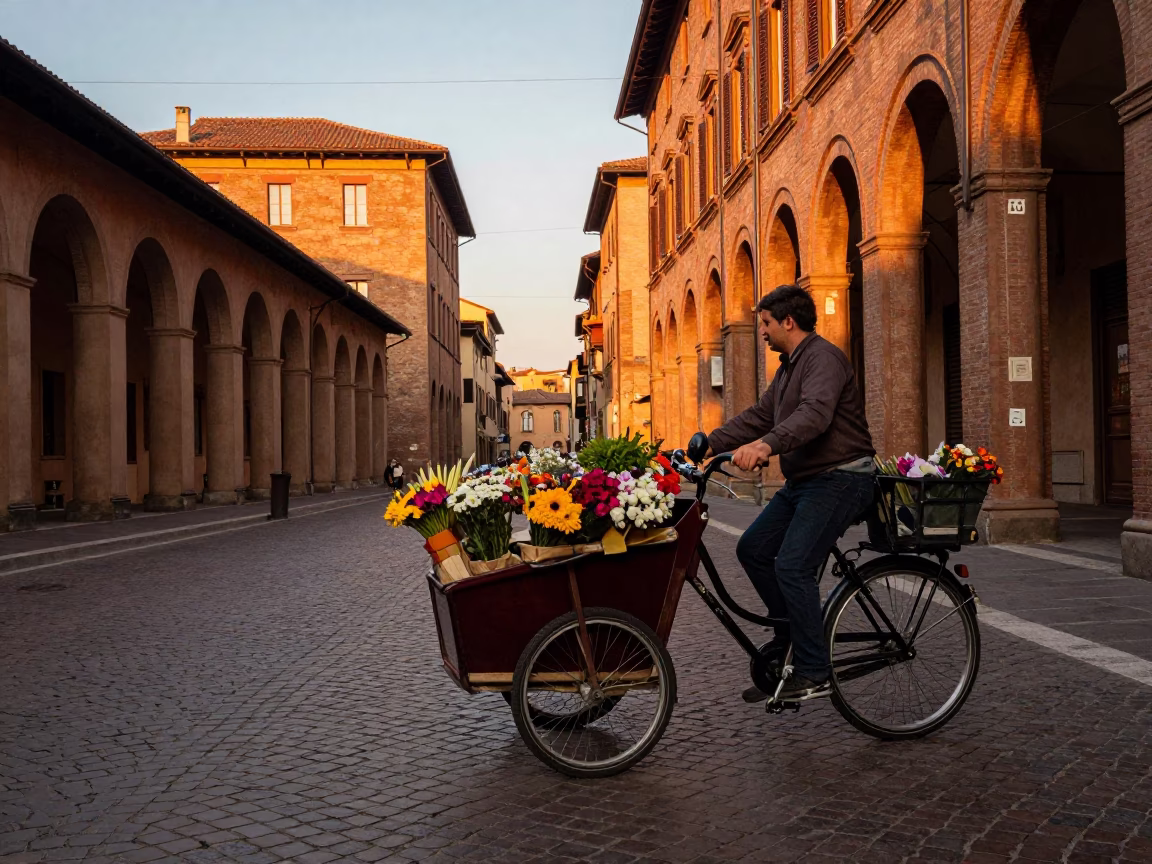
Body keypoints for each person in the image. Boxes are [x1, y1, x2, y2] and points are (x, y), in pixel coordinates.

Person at [704, 284, 875, 702]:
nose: (761, 331)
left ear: (788, 321)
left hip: (841, 478)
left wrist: (766, 446)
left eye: (764, 323)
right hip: (806, 482)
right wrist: (709, 442)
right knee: (754, 549)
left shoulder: (823, 359)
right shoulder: (787, 368)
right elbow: (762, 415)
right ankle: (789, 644)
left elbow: (814, 415)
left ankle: (815, 669)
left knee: (793, 566)